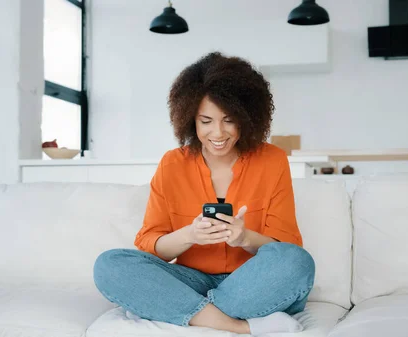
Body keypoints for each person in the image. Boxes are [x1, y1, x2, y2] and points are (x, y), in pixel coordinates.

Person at [93, 52, 315, 336]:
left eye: (229, 120)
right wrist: (190, 236)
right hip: (192, 279)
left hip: (250, 282)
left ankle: (176, 309)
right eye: (206, 121)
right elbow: (149, 244)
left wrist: (245, 238)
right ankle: (237, 326)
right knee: (110, 265)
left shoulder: (272, 160)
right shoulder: (173, 164)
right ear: (190, 120)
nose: (218, 133)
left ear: (247, 118)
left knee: (296, 261)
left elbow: (286, 246)